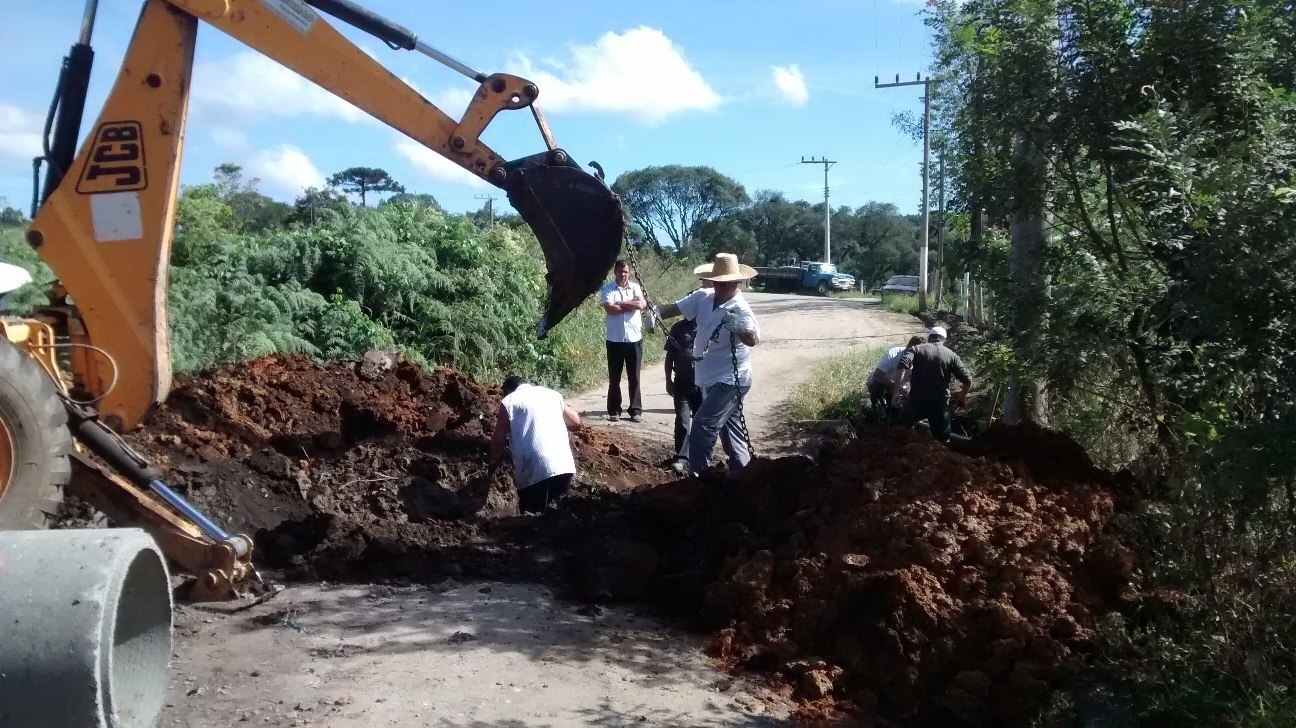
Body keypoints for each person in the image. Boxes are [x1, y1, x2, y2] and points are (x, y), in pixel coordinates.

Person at [653, 253, 761, 478]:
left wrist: (739, 328)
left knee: (702, 425)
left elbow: (753, 339)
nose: (722, 286)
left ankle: (699, 479)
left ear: (737, 282)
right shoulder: (703, 297)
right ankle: (744, 477)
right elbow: (673, 309)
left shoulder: (740, 308)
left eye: (727, 282)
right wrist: (655, 312)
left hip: (732, 379)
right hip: (709, 377)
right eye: (718, 281)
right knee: (732, 432)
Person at [489, 375, 582, 513]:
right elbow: (575, 421)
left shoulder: (510, 401)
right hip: (564, 465)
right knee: (559, 518)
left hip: (536, 470)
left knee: (534, 521)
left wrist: (494, 462)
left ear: (508, 390)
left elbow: (498, 440)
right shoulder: (551, 394)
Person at [895, 326, 973, 442]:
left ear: (929, 338)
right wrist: (962, 397)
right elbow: (967, 379)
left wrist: (898, 389)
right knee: (943, 440)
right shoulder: (951, 355)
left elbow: (902, 365)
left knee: (900, 431)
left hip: (916, 401)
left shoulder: (916, 349)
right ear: (944, 340)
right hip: (939, 404)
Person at [599, 260, 647, 422]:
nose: (623, 274)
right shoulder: (607, 288)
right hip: (615, 340)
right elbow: (610, 310)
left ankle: (635, 410)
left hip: (634, 339)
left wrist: (620, 303)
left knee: (634, 377)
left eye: (626, 271)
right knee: (614, 377)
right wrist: (629, 305)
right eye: (620, 271)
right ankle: (614, 410)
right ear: (615, 272)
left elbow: (641, 305)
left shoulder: (635, 288)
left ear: (629, 272)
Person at [868, 336, 925, 418]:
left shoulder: (921, 361)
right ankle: (880, 418)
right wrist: (896, 387)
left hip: (899, 389)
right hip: (882, 383)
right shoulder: (893, 353)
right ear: (908, 348)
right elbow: (877, 376)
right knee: (876, 387)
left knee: (900, 412)